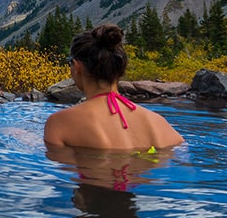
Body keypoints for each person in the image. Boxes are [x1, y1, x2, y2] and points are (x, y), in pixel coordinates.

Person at [44, 24, 184, 150]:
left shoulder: (59, 123)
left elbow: (64, 168)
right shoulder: (158, 123)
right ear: (120, 67)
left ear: (77, 66)